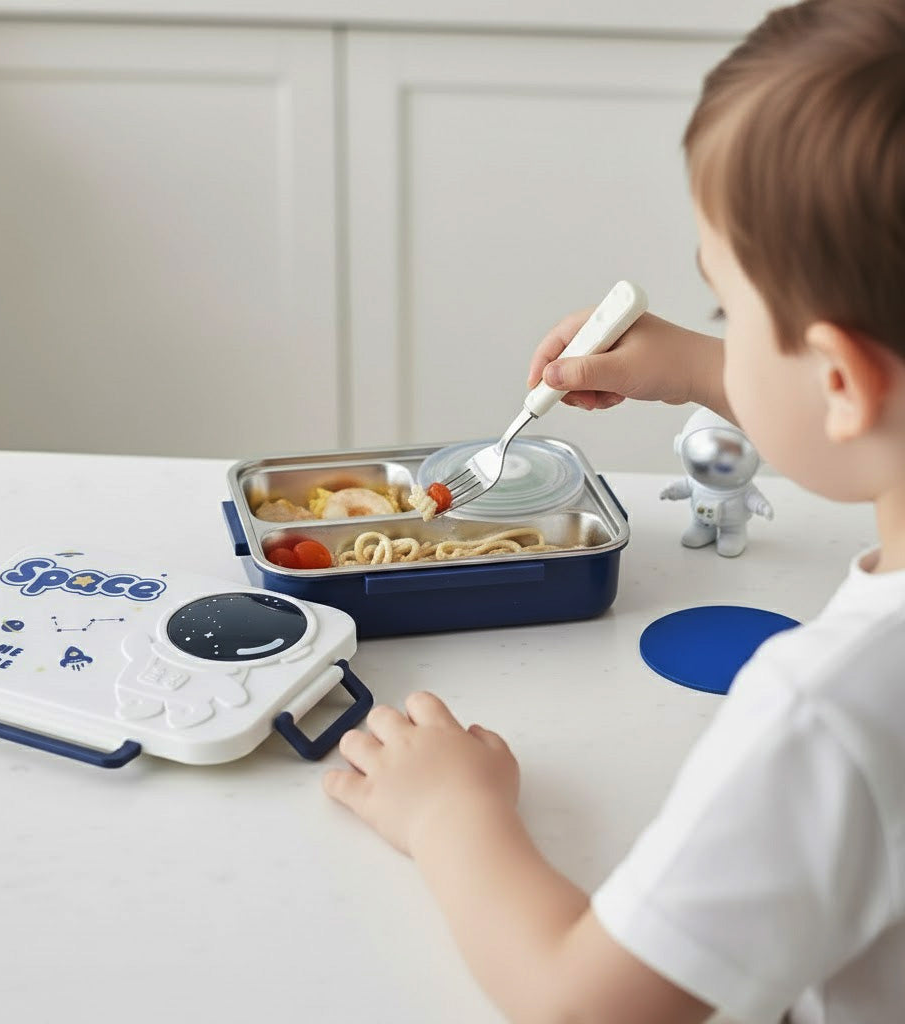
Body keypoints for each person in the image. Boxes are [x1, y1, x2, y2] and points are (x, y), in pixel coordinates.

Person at [322, 1, 905, 1021]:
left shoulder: (833, 714)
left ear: (841, 381)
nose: (719, 333)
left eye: (731, 309)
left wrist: (449, 811)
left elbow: (581, 1003)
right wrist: (702, 367)